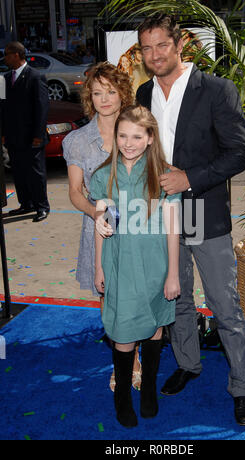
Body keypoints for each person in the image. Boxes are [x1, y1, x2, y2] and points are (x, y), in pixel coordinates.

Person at [135, 14, 245, 426]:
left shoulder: (216, 90)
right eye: (147, 48)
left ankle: (242, 388)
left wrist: (190, 177)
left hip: (204, 211)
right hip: (161, 214)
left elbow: (240, 152)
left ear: (179, 44)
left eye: (161, 46)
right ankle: (188, 363)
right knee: (178, 297)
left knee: (225, 306)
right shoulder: (143, 92)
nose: (154, 55)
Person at [90, 104, 181, 427]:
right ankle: (122, 396)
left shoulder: (166, 176)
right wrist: (100, 267)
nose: (129, 142)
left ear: (150, 138)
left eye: (136, 136)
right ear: (115, 137)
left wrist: (172, 273)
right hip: (120, 266)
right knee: (124, 332)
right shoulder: (105, 176)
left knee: (155, 326)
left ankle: (149, 390)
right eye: (123, 135)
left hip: (156, 266)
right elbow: (104, 221)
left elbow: (173, 229)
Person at [62, 62, 142, 392]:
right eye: (97, 93)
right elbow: (75, 192)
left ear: (122, 92)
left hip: (140, 227)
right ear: (88, 97)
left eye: (111, 91)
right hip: (101, 231)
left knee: (139, 295)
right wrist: (97, 215)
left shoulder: (140, 128)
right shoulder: (77, 141)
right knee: (109, 297)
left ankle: (136, 358)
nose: (104, 99)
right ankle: (121, 363)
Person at [2, 41, 50, 222]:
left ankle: (41, 206)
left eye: (7, 54)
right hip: (14, 137)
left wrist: (38, 135)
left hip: (32, 137)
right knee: (19, 171)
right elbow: (2, 108)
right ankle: (26, 204)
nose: (5, 57)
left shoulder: (35, 77)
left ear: (16, 55)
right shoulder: (4, 79)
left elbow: (42, 108)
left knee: (35, 173)